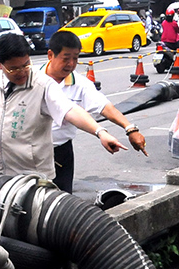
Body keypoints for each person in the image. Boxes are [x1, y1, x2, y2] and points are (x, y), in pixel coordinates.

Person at [0, 33, 125, 182]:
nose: (22, 72)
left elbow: (70, 110)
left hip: (33, 176)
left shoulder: (43, 85)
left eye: (26, 65)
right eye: (14, 69)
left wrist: (100, 132)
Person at [39, 30, 148, 193]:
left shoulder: (80, 85)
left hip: (60, 153)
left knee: (60, 203)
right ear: (50, 55)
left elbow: (104, 106)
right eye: (66, 58)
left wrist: (130, 128)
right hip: (30, 151)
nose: (71, 64)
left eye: (75, 58)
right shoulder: (31, 78)